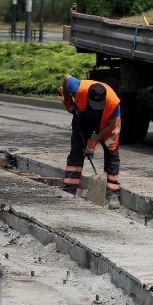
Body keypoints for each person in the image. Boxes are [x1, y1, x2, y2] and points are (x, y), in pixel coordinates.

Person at [59, 74, 122, 210]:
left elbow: (111, 127)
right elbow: (66, 77)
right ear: (88, 96)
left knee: (112, 154)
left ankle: (112, 194)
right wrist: (68, 101)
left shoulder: (113, 102)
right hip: (83, 118)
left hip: (106, 125)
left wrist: (93, 142)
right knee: (76, 152)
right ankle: (69, 189)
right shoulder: (78, 88)